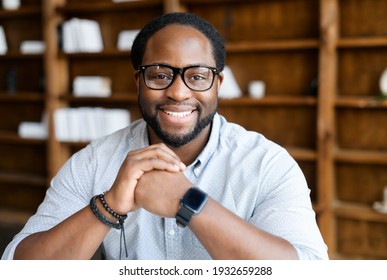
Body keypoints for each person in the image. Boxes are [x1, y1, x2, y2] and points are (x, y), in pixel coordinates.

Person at [2, 12, 328, 260]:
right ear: (138, 82)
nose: (177, 92)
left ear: (218, 84)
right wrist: (109, 205)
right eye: (159, 75)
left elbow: (310, 269)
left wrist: (191, 203)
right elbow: (19, 266)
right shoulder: (92, 162)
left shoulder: (267, 164)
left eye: (197, 76)